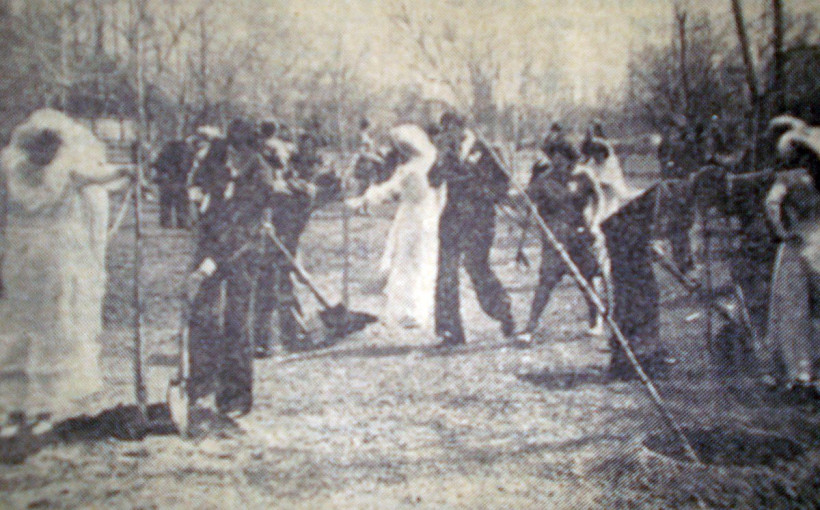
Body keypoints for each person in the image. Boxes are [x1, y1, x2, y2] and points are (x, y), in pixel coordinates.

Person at [0, 109, 131, 463]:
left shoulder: (62, 169)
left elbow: (98, 175)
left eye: (50, 150)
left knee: (51, 328)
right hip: (25, 258)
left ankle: (42, 411)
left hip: (49, 260)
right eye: (40, 150)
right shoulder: (12, 168)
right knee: (22, 329)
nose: (44, 156)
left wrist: (124, 171)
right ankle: (16, 411)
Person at [185, 118, 277, 419]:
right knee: (201, 313)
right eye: (232, 151)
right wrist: (197, 194)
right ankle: (200, 387)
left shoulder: (262, 176)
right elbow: (197, 179)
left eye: (241, 153)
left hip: (244, 248)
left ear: (253, 150)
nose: (233, 158)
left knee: (237, 319)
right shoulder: (218, 153)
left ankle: (235, 396)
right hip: (210, 238)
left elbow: (242, 227)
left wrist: (211, 262)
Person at [346, 124, 446, 331]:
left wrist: (362, 200)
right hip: (428, 215)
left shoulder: (410, 169)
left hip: (414, 217)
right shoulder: (430, 161)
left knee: (408, 260)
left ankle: (411, 311)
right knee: (420, 260)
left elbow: (389, 190)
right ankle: (415, 309)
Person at [428, 112, 515, 346]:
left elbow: (503, 186)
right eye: (444, 130)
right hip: (452, 221)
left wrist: (478, 190)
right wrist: (439, 158)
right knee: (446, 274)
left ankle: (503, 310)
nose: (447, 135)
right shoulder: (446, 152)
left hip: (479, 220)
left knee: (477, 268)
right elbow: (433, 180)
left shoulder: (487, 150)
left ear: (461, 128)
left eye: (450, 130)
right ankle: (450, 331)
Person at [516, 138, 604, 344]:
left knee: (587, 280)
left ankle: (596, 320)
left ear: (570, 160)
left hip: (580, 235)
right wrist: (518, 200)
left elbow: (599, 199)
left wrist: (595, 223)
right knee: (545, 283)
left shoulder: (584, 176)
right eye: (554, 161)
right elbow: (524, 202)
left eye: (563, 161)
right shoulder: (544, 181)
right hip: (555, 239)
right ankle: (530, 328)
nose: (559, 166)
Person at [657, 116, 699, 273]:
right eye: (666, 131)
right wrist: (665, 183)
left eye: (672, 130)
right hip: (670, 187)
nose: (668, 133)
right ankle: (679, 260)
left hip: (684, 187)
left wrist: (686, 186)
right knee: (674, 225)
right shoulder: (663, 147)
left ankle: (688, 260)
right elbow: (663, 169)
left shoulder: (686, 147)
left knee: (684, 225)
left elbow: (692, 170)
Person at [152, 139, 191, 229]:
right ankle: (181, 222)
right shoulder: (184, 153)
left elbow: (157, 165)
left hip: (167, 180)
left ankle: (166, 222)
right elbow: (185, 167)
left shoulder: (164, 154)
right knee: (181, 203)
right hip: (179, 180)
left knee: (166, 203)